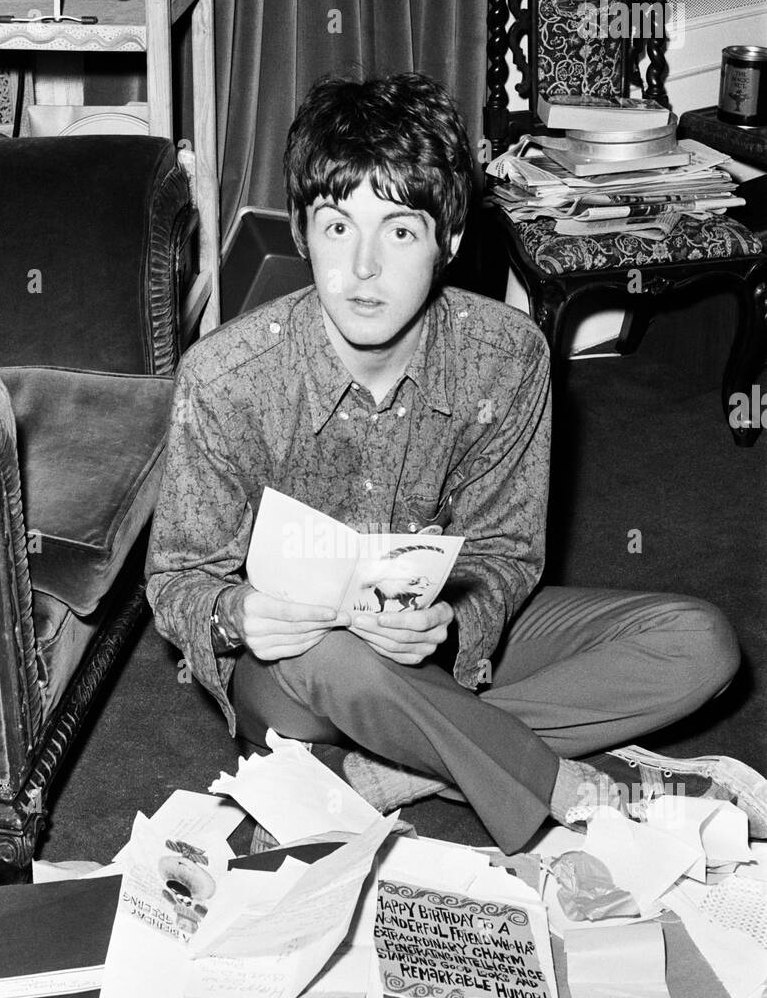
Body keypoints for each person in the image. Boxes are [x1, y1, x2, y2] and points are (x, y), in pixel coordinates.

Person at [146, 72, 740, 854]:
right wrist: (236, 614)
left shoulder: (509, 356)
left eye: (398, 231)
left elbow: (507, 551)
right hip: (301, 673)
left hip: (443, 650)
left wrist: (453, 628)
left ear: (449, 240)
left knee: (699, 642)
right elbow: (178, 580)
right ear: (299, 231)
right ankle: (537, 773)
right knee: (337, 654)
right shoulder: (225, 377)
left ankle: (390, 774)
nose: (362, 269)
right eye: (334, 227)